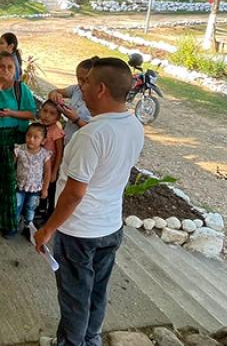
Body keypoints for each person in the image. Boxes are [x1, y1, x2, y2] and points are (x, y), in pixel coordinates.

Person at [34, 58, 145, 346]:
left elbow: (74, 193)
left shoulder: (91, 135)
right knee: (96, 291)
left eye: (86, 83)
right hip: (110, 226)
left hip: (79, 231)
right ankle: (90, 340)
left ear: (101, 89)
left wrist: (47, 229)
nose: (81, 88)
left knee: (74, 298)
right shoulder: (135, 125)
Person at [0, 52, 37, 237]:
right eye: (1, 66)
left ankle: (9, 223)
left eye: (10, 67)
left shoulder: (21, 89)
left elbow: (31, 113)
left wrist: (11, 113)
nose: (5, 70)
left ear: (16, 69)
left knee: (10, 180)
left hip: (15, 139)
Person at [48, 56, 99, 146]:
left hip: (80, 146)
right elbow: (53, 92)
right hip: (66, 142)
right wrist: (56, 96)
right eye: (78, 78)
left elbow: (95, 131)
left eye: (84, 80)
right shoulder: (76, 89)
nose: (79, 83)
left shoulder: (98, 102)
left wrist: (76, 119)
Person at [14, 123, 52, 235]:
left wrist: (45, 189)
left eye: (36, 137)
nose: (31, 139)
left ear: (43, 141)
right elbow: (11, 166)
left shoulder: (45, 155)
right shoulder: (19, 150)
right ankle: (13, 225)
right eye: (29, 135)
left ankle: (28, 226)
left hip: (35, 188)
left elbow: (47, 173)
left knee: (30, 207)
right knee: (16, 205)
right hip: (19, 185)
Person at [39, 99, 65, 187]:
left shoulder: (56, 132)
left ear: (58, 118)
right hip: (36, 167)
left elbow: (59, 153)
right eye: (45, 111)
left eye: (52, 113)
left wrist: (54, 172)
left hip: (49, 169)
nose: (47, 116)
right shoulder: (37, 127)